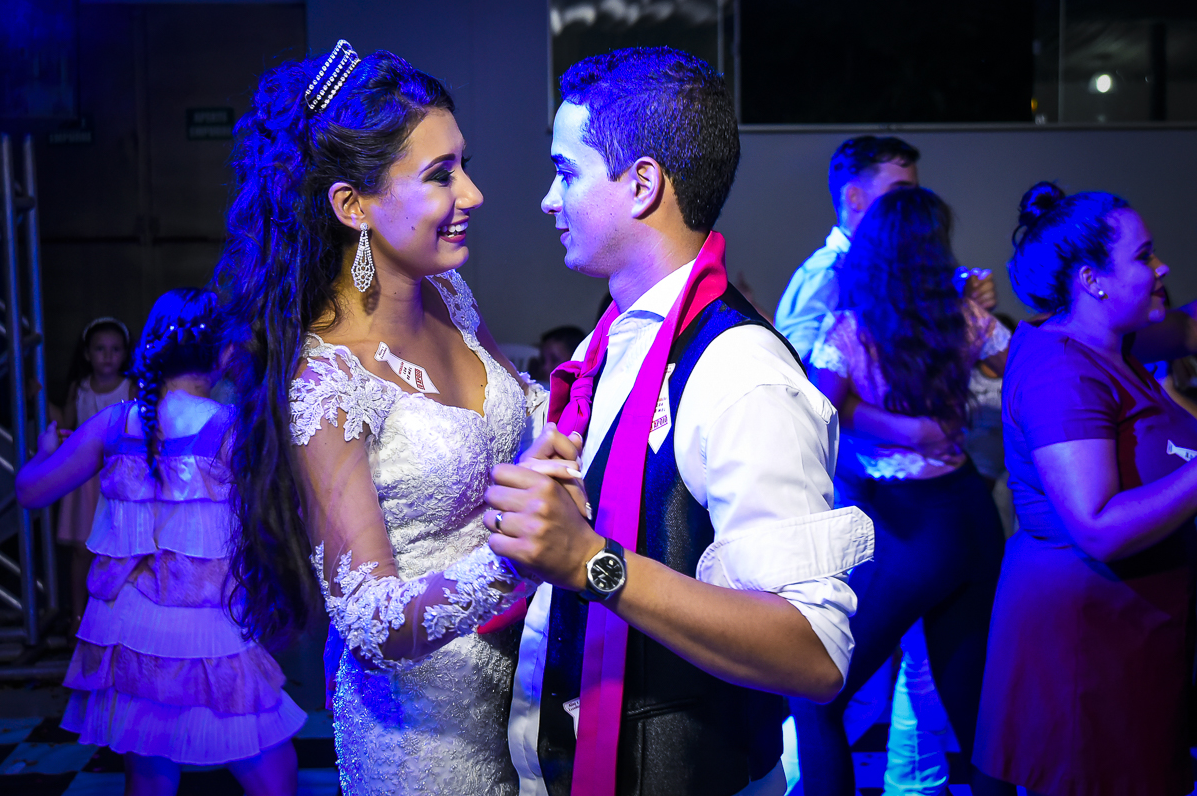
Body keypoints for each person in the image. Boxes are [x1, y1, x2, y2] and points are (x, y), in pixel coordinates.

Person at [486, 47, 875, 796]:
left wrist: (592, 562)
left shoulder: (742, 372)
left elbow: (815, 654)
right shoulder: (614, 341)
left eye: (566, 172)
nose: (547, 200)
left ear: (642, 185)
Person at [214, 41, 546, 796]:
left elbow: (527, 408)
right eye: (440, 174)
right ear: (352, 206)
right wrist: (522, 562)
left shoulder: (449, 297)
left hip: (525, 701)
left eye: (462, 164)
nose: (473, 194)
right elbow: (368, 622)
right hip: (425, 740)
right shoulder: (325, 379)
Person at [15, 289, 304, 796]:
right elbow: (287, 516)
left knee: (149, 776)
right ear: (222, 353)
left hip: (129, 632)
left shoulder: (112, 424)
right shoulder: (230, 427)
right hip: (209, 633)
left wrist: (42, 452)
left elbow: (30, 491)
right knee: (272, 774)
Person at [975, 183, 1197, 796]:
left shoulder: (1115, 343)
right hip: (1082, 639)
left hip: (1130, 626)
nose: (1162, 268)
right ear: (1092, 279)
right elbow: (1098, 525)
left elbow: (1189, 330)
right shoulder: (1060, 370)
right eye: (1144, 256)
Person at [796, 187, 1013, 796]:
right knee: (977, 715)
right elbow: (1027, 374)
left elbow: (816, 414)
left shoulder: (852, 327)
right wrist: (922, 425)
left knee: (815, 694)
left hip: (906, 525)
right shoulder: (966, 319)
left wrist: (880, 422)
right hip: (970, 514)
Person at [774, 135, 997, 363]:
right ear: (854, 198)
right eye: (899, 192)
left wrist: (964, 307)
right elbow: (794, 369)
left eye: (914, 194)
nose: (911, 205)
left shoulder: (901, 269)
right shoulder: (826, 274)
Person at [56, 317, 134, 628]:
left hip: (119, 477)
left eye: (115, 349)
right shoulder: (80, 389)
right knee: (81, 550)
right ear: (87, 353)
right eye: (100, 349)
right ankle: (77, 618)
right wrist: (36, 396)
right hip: (85, 479)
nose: (108, 356)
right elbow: (66, 424)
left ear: (125, 353)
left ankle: (116, 622)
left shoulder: (131, 387)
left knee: (120, 549)